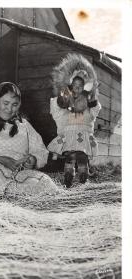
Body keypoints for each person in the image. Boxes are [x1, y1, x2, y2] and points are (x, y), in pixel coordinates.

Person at [47, 54, 101, 188]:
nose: (77, 87)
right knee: (70, 157)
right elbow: (57, 111)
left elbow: (94, 110)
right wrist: (61, 98)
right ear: (70, 88)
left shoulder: (88, 107)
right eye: (74, 85)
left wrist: (92, 98)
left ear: (84, 88)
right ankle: (68, 178)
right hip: (70, 136)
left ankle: (83, 179)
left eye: (80, 85)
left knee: (83, 157)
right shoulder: (67, 108)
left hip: (83, 136)